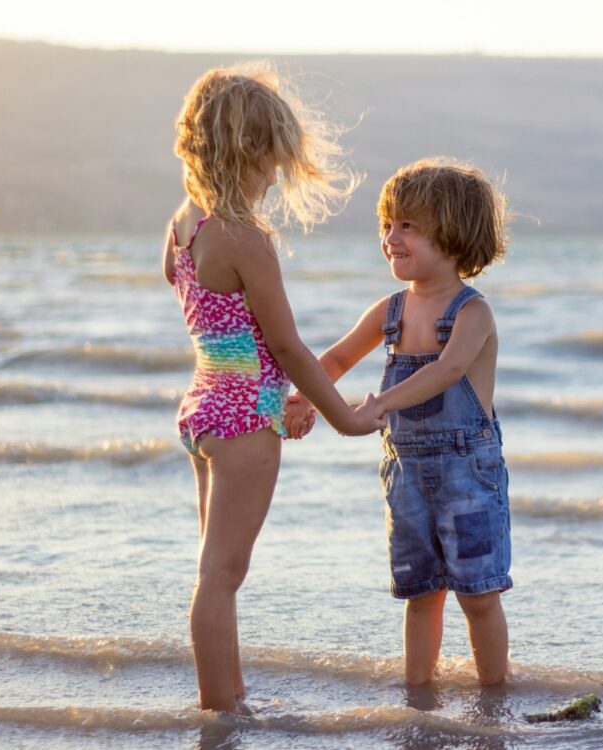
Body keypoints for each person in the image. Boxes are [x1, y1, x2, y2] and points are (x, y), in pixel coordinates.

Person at [162, 63, 384, 712]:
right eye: (272, 165)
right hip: (241, 428)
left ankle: (227, 695)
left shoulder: (185, 224)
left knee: (215, 573)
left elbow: (197, 305)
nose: (274, 180)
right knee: (222, 576)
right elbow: (285, 345)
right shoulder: (245, 239)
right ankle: (221, 709)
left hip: (203, 411)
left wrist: (258, 388)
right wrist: (343, 415)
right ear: (249, 155)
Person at [286, 157, 513, 686]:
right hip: (407, 476)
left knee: (478, 594)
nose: (391, 237)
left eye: (408, 225)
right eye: (388, 224)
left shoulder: (471, 313)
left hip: (467, 476)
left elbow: (446, 370)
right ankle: (419, 694)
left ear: (453, 235)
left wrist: (379, 405)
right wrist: (305, 398)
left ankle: (494, 695)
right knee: (420, 593)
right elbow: (337, 360)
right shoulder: (389, 310)